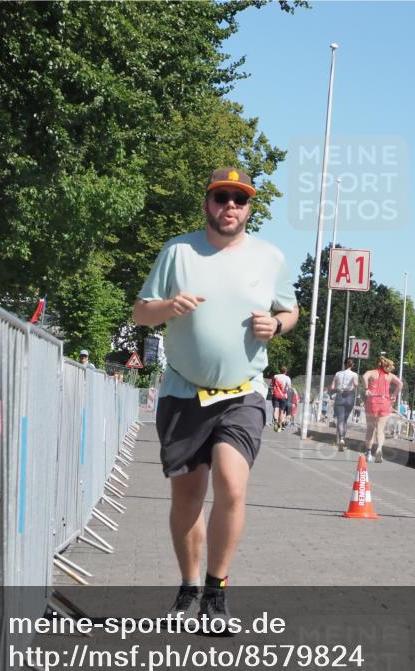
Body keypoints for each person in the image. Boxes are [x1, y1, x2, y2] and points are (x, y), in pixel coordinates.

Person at [131, 167, 299, 627]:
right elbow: (140, 312)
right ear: (207, 202)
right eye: (222, 197)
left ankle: (216, 592)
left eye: (239, 199)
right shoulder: (179, 250)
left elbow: (291, 309)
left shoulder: (269, 257)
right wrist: (169, 306)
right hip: (183, 391)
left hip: (243, 392)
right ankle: (188, 587)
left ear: (249, 208)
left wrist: (278, 325)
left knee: (231, 482)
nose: (230, 206)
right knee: (187, 496)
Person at [362, 354, 403, 463]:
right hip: (385, 402)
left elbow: (364, 376)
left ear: (378, 363)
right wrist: (394, 395)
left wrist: (366, 388)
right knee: (381, 429)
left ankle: (368, 452)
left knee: (370, 428)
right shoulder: (390, 376)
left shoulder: (372, 372)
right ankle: (379, 449)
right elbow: (400, 384)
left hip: (372, 401)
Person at [328, 358, 359, 450]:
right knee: (345, 420)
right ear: (352, 365)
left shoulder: (338, 373)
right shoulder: (354, 374)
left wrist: (333, 391)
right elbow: (356, 384)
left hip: (340, 396)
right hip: (349, 397)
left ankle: (341, 439)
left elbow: (332, 386)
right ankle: (342, 439)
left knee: (340, 420)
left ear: (344, 364)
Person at [271, 366, 291, 432]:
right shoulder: (287, 378)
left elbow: (271, 385)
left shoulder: (275, 376)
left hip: (275, 395)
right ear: (286, 372)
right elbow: (289, 388)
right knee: (281, 412)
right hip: (283, 396)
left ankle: (275, 422)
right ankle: (279, 426)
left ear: (280, 370)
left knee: (275, 409)